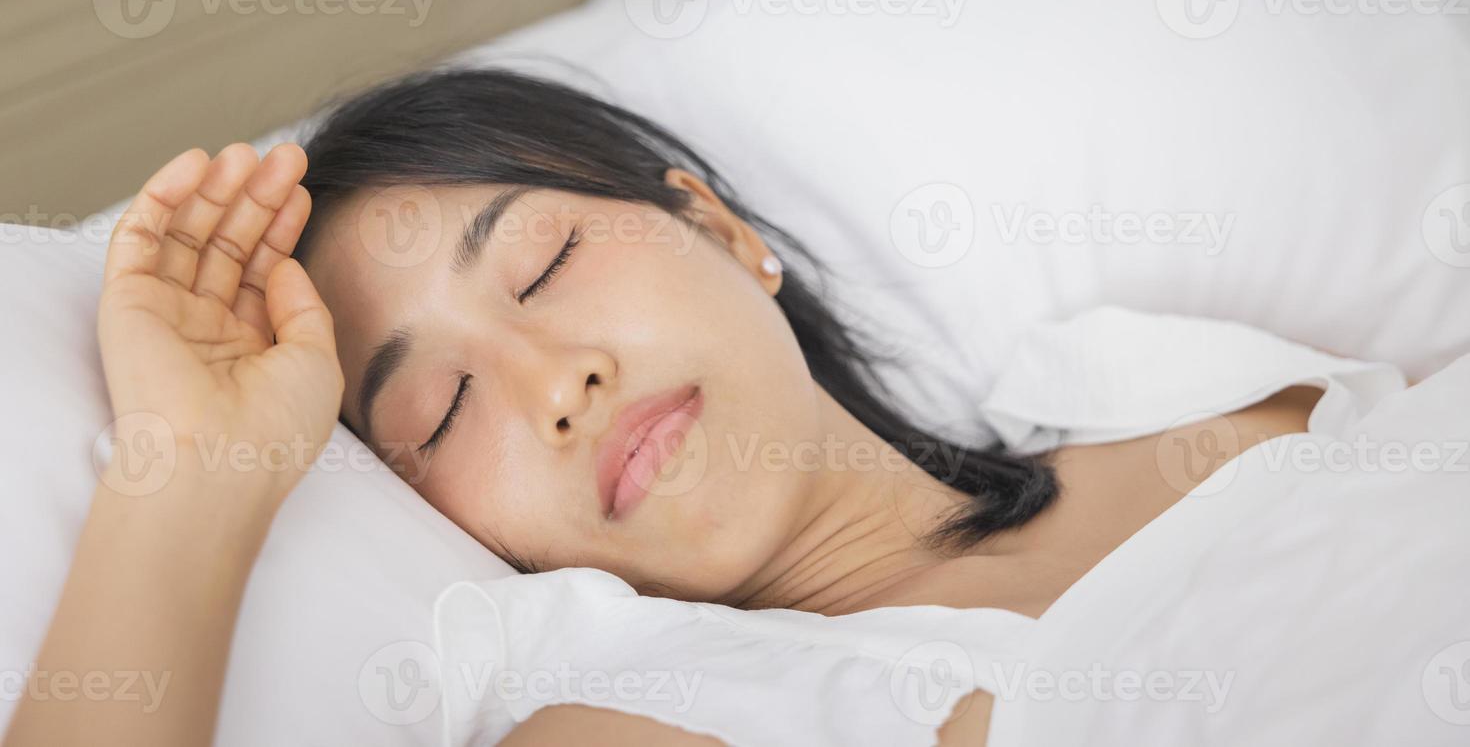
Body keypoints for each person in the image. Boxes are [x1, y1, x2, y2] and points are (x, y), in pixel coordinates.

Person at [5, 69, 1329, 747]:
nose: (551, 383)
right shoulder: (650, 721)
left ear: (720, 228)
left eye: (546, 264)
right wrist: (189, 476)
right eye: (445, 408)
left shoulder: (1212, 395)